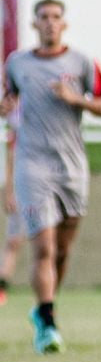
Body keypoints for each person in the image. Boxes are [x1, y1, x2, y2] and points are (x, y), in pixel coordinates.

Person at [0, 0, 101, 354]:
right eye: (43, 18)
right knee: (43, 247)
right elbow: (8, 102)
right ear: (34, 25)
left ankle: (43, 309)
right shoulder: (17, 63)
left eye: (56, 17)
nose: (49, 23)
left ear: (65, 23)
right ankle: (48, 325)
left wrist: (76, 99)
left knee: (63, 251)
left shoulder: (82, 63)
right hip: (33, 165)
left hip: (71, 167)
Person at [0, 123, 24, 306]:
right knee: (13, 241)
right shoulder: (18, 128)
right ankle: (2, 288)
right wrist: (9, 192)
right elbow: (10, 159)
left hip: (42, 189)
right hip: (21, 189)